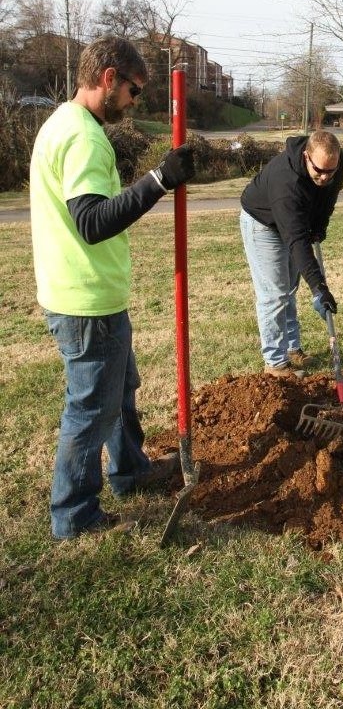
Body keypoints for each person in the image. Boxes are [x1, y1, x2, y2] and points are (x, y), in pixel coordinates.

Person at [30, 36, 195, 539]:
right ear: (108, 77)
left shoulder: (62, 121)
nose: (134, 101)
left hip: (88, 292)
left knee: (120, 392)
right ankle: (74, 516)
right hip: (85, 300)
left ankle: (130, 471)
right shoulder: (83, 137)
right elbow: (93, 222)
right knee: (92, 408)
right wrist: (158, 181)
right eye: (133, 90)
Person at [240, 130, 343, 378]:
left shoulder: (333, 165)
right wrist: (320, 288)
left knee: (289, 290)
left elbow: (328, 197)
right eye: (319, 170)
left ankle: (292, 348)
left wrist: (319, 227)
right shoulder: (286, 182)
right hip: (262, 223)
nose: (324, 176)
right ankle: (275, 363)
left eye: (330, 171)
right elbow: (297, 242)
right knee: (274, 294)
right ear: (307, 157)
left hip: (294, 220)